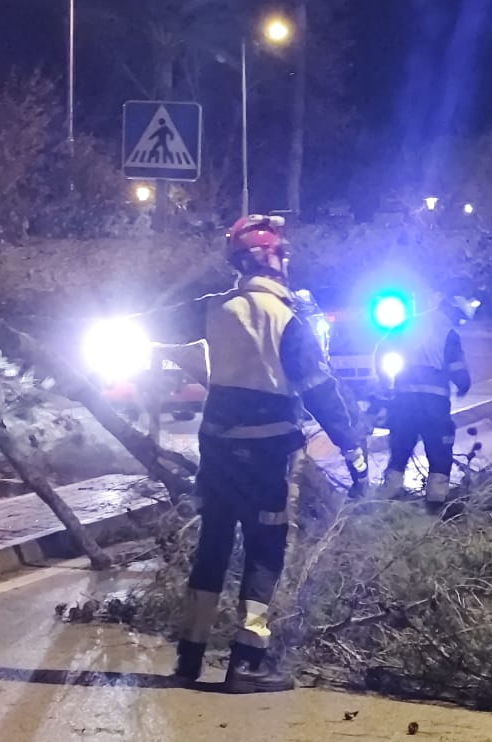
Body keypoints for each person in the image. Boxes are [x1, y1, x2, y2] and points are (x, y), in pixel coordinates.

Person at [160, 215, 368, 687]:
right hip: (266, 455)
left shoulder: (216, 309)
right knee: (264, 550)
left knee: (212, 546)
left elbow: (162, 322)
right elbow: (320, 390)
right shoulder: (288, 318)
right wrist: (354, 454)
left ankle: (189, 658)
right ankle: (247, 662)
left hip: (216, 452)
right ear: (276, 259)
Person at [381, 288, 473, 505]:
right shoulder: (449, 334)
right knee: (440, 450)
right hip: (434, 407)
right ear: (452, 311)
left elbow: (382, 351)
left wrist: (385, 383)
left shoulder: (408, 324)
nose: (459, 322)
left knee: (400, 448)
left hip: (404, 403)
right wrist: (463, 385)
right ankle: (436, 501)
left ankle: (388, 497)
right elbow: (457, 368)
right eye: (459, 317)